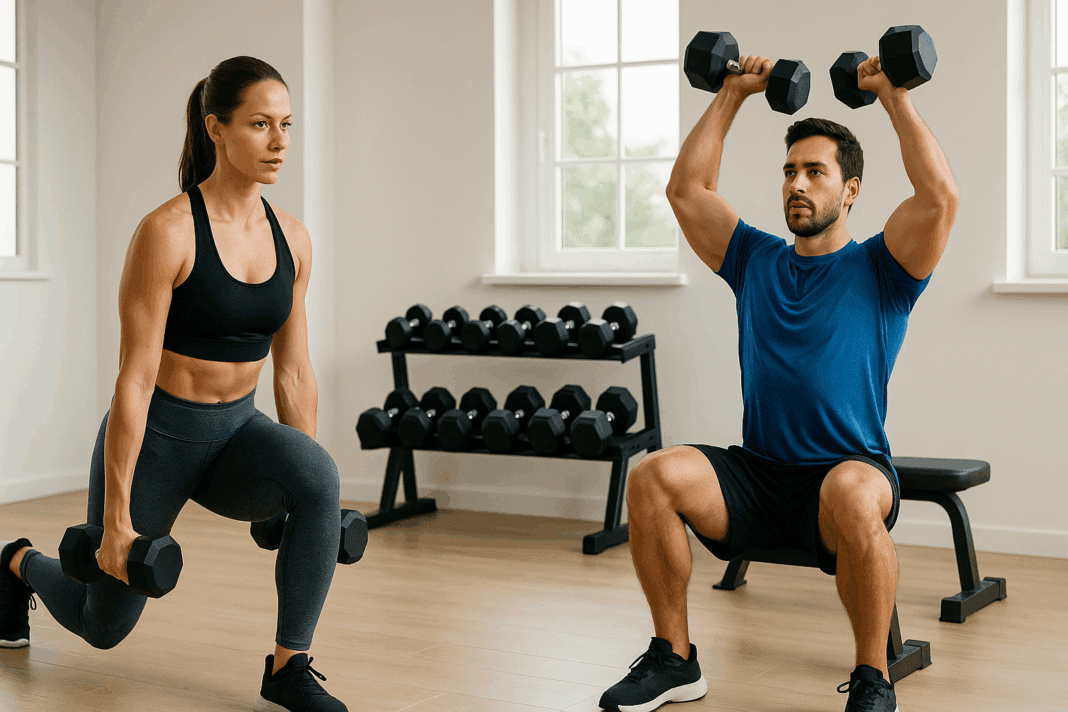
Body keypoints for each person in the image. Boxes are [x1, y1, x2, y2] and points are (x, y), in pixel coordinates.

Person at [598, 54, 959, 712]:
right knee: (652, 476)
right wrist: (733, 92)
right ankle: (675, 660)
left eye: (815, 172)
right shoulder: (754, 260)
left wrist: (892, 96)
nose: (797, 183)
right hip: (757, 476)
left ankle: (873, 680)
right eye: (790, 170)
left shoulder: (884, 270)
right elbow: (686, 191)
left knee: (852, 491)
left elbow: (940, 198)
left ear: (848, 191)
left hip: (846, 473)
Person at [1, 56, 350, 712]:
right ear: (217, 129)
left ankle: (288, 667)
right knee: (100, 625)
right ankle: (16, 562)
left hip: (237, 432)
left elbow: (295, 369)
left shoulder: (293, 239)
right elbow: (133, 382)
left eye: (286, 125)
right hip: (161, 434)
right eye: (259, 125)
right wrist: (113, 525)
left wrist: (297, 486)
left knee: (321, 476)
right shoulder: (167, 232)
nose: (278, 142)